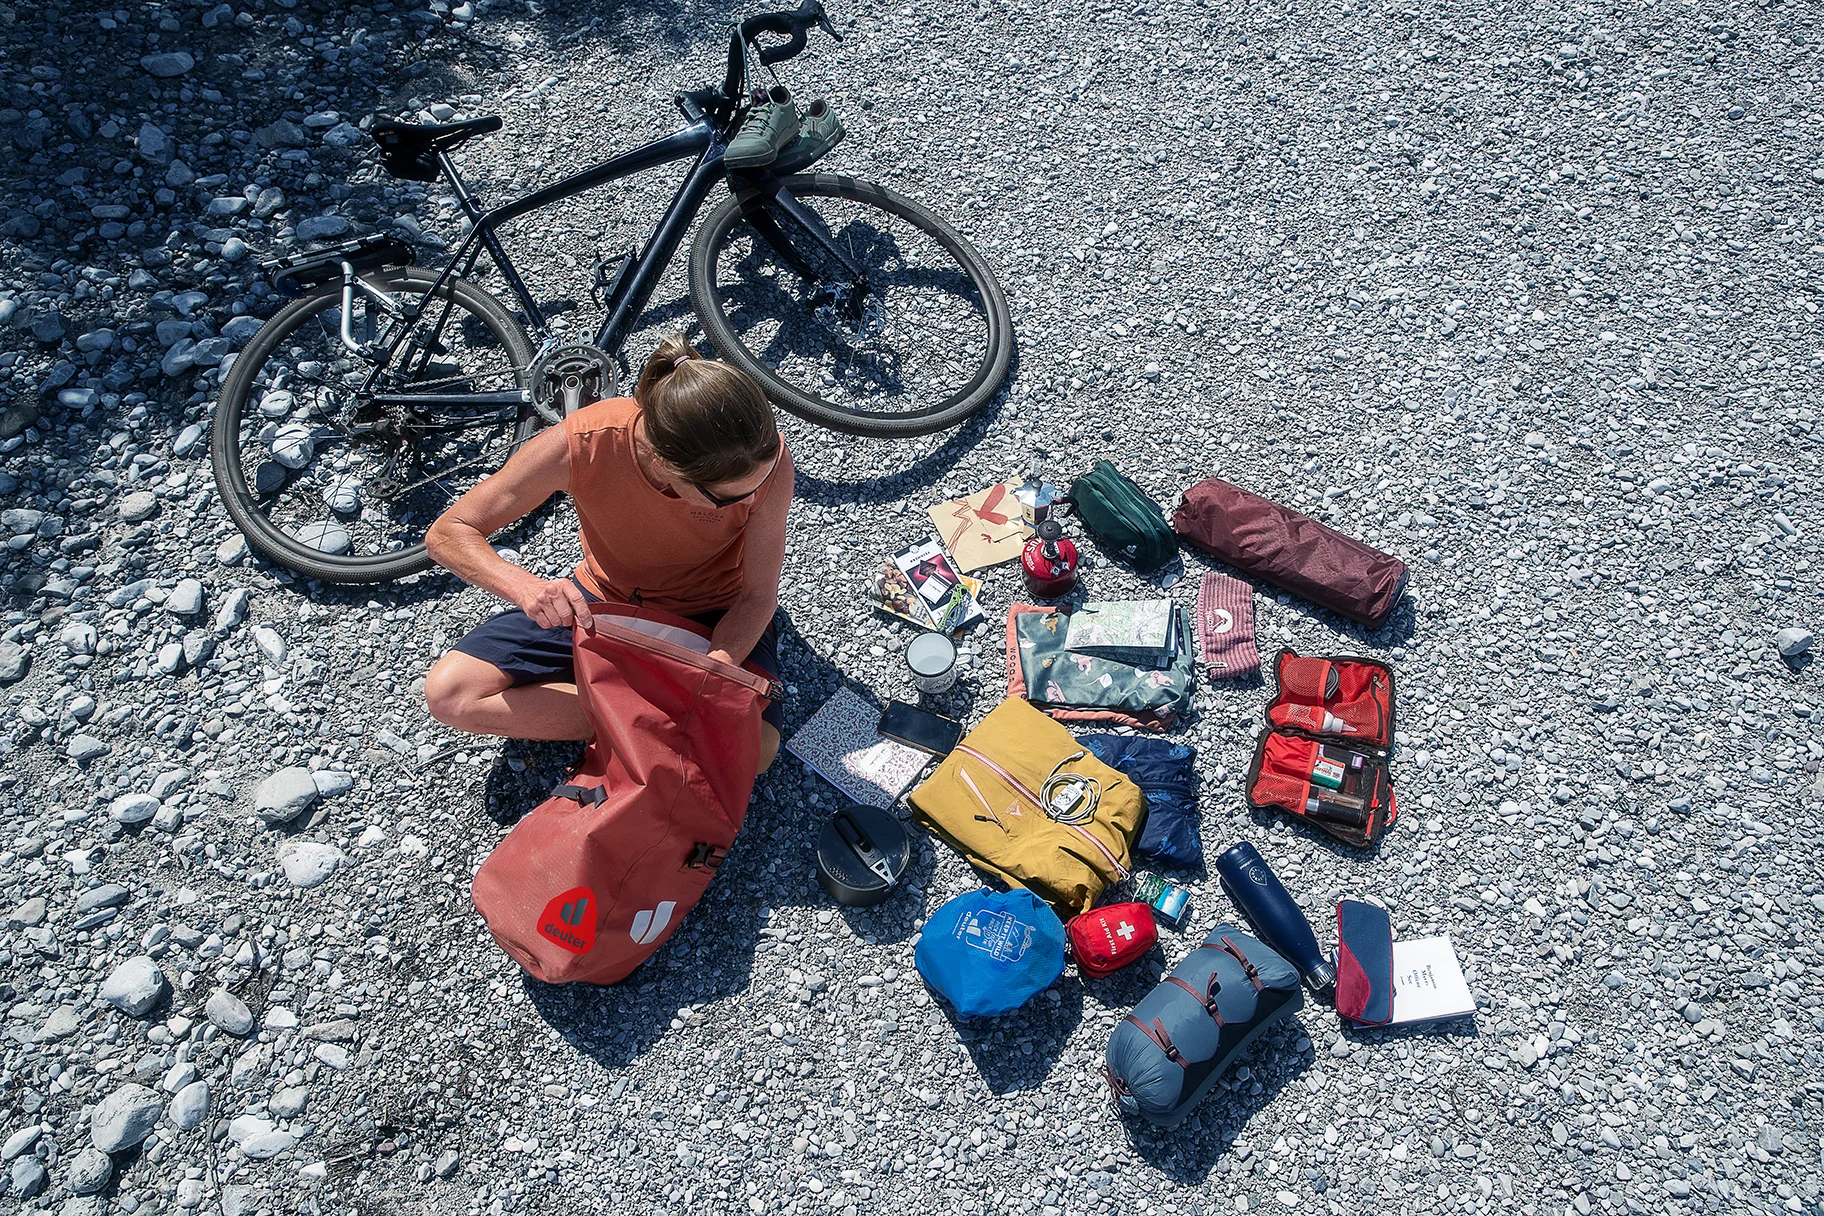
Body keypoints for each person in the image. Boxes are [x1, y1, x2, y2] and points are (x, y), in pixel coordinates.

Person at [422, 335, 794, 770]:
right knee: (452, 694)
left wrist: (712, 669)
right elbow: (449, 532)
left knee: (760, 751)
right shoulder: (586, 442)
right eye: (728, 500)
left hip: (712, 612)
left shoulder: (763, 463)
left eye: (755, 488)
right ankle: (649, 718)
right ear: (662, 464)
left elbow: (757, 597)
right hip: (604, 598)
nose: (750, 502)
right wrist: (525, 588)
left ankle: (629, 707)